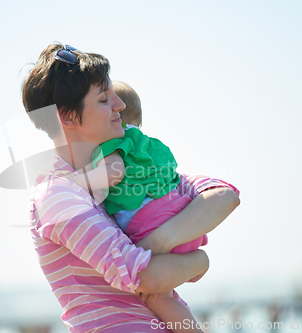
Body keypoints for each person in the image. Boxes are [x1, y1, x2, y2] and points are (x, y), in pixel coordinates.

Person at [22, 43, 240, 333]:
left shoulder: (133, 172)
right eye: (103, 99)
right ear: (68, 117)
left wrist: (167, 245)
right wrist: (199, 259)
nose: (119, 105)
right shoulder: (58, 194)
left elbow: (223, 196)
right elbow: (143, 276)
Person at [66, 81, 222, 332]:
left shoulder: (112, 144)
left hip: (150, 227)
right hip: (183, 224)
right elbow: (173, 178)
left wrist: (74, 182)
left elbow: (113, 172)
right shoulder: (153, 146)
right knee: (165, 296)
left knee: (158, 297)